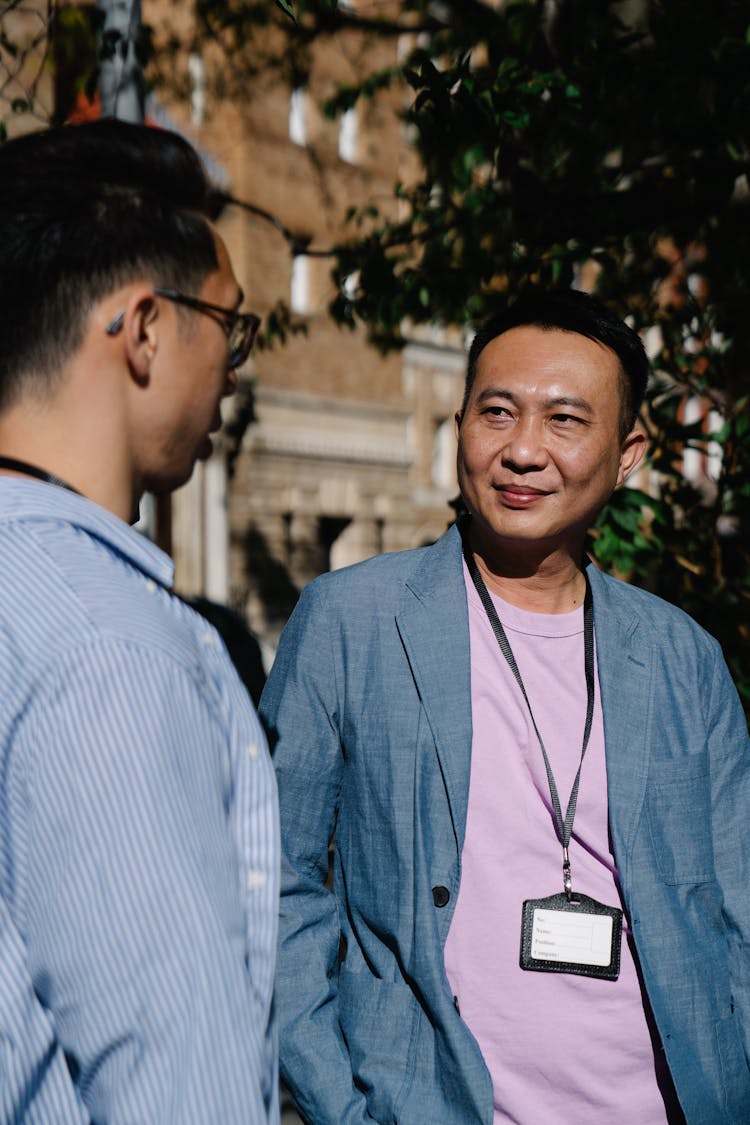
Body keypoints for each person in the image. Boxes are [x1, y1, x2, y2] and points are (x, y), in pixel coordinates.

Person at [260, 290, 750, 1124]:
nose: (524, 450)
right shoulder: (354, 620)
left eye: (565, 420)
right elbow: (275, 876)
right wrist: (337, 1101)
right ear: (460, 427)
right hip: (424, 1102)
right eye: (497, 412)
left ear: (629, 451)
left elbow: (734, 907)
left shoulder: (681, 659)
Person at [0, 120, 279, 1122]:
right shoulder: (106, 646)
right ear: (146, 327)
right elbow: (173, 1072)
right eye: (230, 326)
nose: (234, 366)